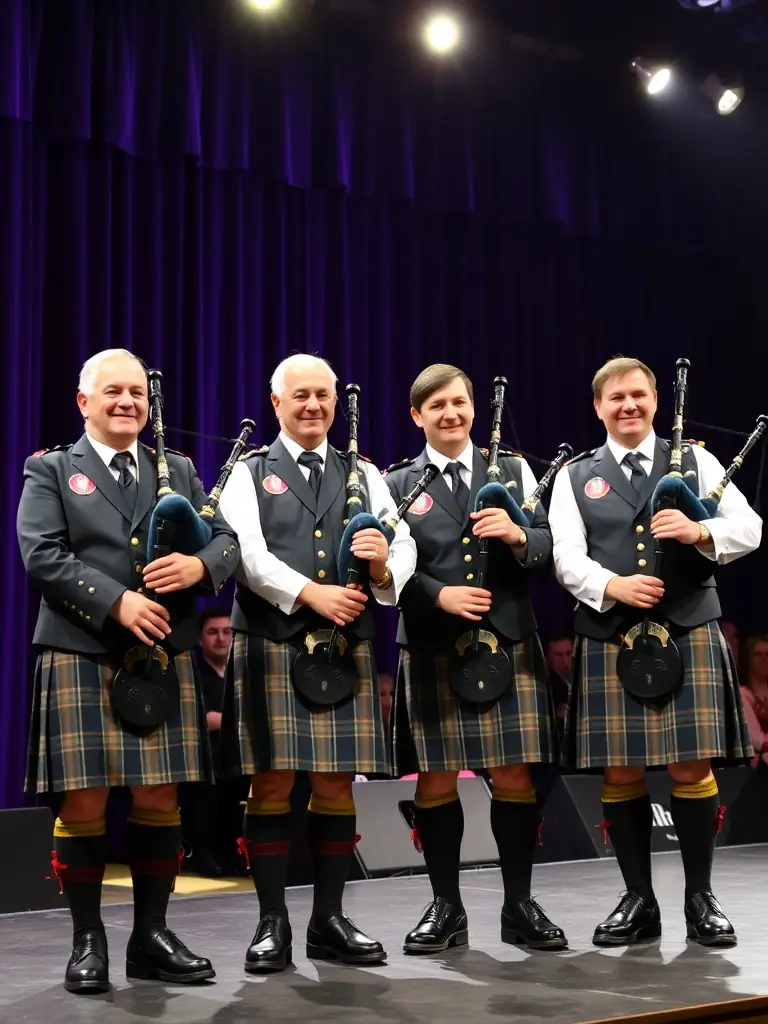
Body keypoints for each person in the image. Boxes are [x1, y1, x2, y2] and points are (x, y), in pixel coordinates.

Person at [17, 349, 239, 994]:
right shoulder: (52, 469)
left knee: (160, 796)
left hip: (160, 653)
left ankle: (152, 936)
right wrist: (115, 601)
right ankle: (89, 941)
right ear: (83, 402)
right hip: (81, 649)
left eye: (138, 392)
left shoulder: (179, 470)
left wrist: (201, 568)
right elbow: (42, 554)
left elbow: (223, 541)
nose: (127, 402)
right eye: (112, 391)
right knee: (85, 798)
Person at [549, 355, 761, 948]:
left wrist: (702, 532)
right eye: (616, 397)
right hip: (612, 634)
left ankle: (701, 898)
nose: (630, 406)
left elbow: (752, 528)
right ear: (598, 407)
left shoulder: (694, 461)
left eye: (639, 395)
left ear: (655, 401)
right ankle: (638, 899)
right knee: (621, 771)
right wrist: (610, 586)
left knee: (691, 767)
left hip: (688, 628)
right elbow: (566, 558)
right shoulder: (574, 476)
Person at [218, 353, 416, 973]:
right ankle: (271, 922)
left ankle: (328, 919)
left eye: (323, 396)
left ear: (336, 403)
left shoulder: (364, 473)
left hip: (343, 644)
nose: (313, 406)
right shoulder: (250, 473)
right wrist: (311, 593)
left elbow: (400, 539)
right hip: (274, 640)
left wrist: (384, 564)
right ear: (276, 404)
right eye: (300, 396)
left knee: (334, 782)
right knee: (272, 781)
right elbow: (244, 553)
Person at [384, 363, 564, 955]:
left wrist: (516, 534)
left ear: (473, 408)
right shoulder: (396, 483)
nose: (451, 414)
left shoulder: (511, 470)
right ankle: (446, 908)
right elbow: (383, 571)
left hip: (507, 641)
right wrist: (439, 594)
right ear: (418, 416)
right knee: (435, 775)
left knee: (513, 773)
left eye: (459, 403)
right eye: (436, 406)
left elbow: (547, 547)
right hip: (435, 643)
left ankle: (519, 906)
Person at [184, 606, 248, 877]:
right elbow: (201, 719)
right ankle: (202, 856)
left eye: (227, 632)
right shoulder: (192, 672)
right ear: (200, 638)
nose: (221, 638)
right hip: (203, 758)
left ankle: (236, 855)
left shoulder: (242, 671)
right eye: (213, 632)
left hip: (236, 754)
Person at [738, 635, 768, 768]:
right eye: (758, 654)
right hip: (758, 770)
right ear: (748, 659)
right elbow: (756, 740)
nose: (764, 659)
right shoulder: (743, 694)